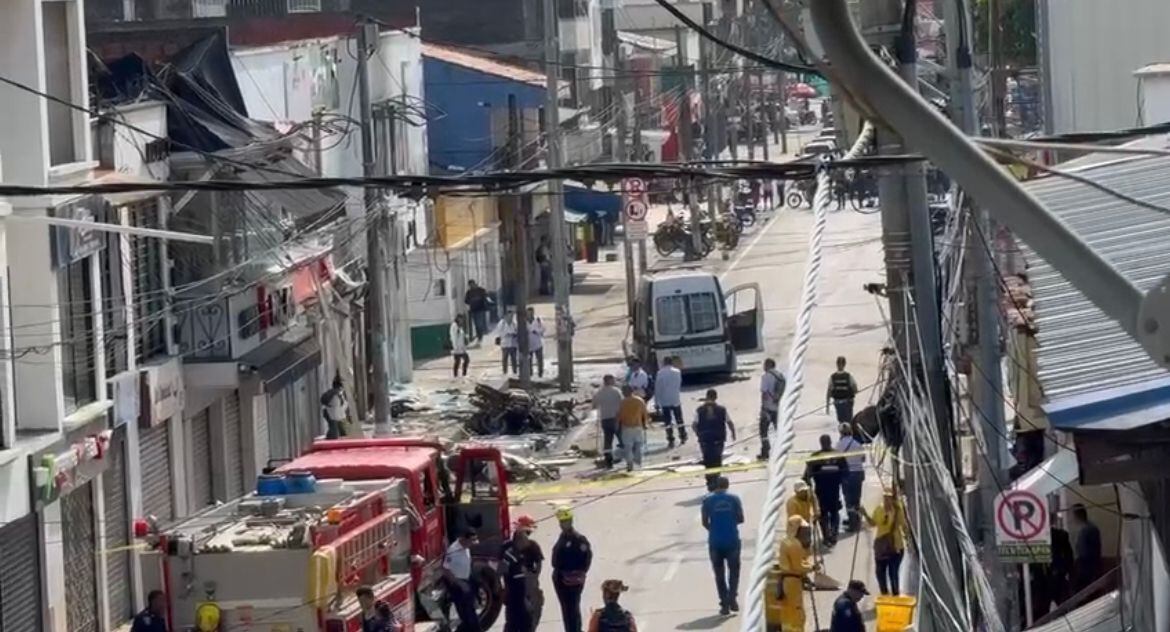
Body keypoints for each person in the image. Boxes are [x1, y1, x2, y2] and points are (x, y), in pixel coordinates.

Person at [701, 476, 744, 615]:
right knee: (734, 571)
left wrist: (714, 529)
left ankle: (724, 603)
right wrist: (729, 524)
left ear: (716, 486)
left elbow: (704, 522)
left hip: (715, 542)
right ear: (728, 485)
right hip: (732, 540)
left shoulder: (707, 500)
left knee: (719, 574)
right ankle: (732, 598)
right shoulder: (734, 499)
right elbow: (741, 518)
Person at [551, 506, 592, 632]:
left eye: (565, 521)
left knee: (572, 608)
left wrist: (579, 573)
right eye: (561, 522)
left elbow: (587, 557)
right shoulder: (563, 537)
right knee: (567, 609)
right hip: (561, 579)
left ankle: (575, 629)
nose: (563, 524)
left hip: (571, 580)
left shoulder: (578, 539)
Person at [502, 515, 545, 632]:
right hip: (514, 591)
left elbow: (539, 564)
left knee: (530, 622)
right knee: (513, 622)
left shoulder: (533, 546)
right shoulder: (508, 549)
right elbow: (502, 570)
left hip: (530, 588)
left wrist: (532, 577)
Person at [861, 490, 907, 595]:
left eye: (889, 498)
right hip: (881, 546)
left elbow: (903, 525)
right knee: (880, 573)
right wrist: (864, 514)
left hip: (895, 546)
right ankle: (884, 594)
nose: (887, 500)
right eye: (885, 498)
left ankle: (895, 595)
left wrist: (907, 537)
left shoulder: (898, 510)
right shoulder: (879, 509)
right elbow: (873, 523)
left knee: (893, 573)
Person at [804, 434, 846, 547]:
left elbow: (806, 475)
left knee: (825, 513)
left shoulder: (815, 457)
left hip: (823, 490)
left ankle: (828, 535)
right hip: (831, 490)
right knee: (832, 512)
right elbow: (845, 471)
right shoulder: (838, 455)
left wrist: (808, 482)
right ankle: (832, 534)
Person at [776, 516, 817, 632]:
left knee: (788, 610)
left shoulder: (786, 541)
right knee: (797, 610)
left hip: (787, 580)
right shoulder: (795, 545)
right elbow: (798, 566)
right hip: (793, 581)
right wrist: (812, 568)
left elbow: (798, 561)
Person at [693, 389, 737, 492]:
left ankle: (710, 483)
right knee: (717, 461)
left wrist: (699, 435)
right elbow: (729, 422)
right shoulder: (722, 409)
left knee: (708, 462)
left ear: (707, 396)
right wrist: (733, 433)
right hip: (718, 440)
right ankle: (716, 482)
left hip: (705, 441)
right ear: (716, 397)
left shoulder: (699, 410)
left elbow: (694, 425)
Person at [443, 529, 481, 632]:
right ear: (464, 539)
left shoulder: (466, 548)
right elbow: (446, 570)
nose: (473, 544)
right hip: (457, 586)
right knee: (467, 616)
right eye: (471, 540)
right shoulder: (453, 550)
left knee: (471, 615)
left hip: (466, 582)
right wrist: (459, 583)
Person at [836, 423, 866, 532]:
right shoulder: (857, 444)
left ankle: (853, 523)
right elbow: (863, 459)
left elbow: (837, 461)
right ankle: (855, 520)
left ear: (841, 433)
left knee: (849, 500)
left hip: (847, 475)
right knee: (856, 499)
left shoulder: (839, 445)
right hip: (858, 473)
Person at [593, 375, 625, 469]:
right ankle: (627, 458)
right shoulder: (616, 391)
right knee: (622, 438)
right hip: (616, 418)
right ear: (610, 381)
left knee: (608, 440)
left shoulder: (599, 392)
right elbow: (623, 402)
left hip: (605, 419)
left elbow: (594, 405)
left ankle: (608, 460)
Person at [653, 356, 686, 447]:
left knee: (668, 421)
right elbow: (679, 384)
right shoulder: (677, 372)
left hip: (665, 400)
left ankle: (670, 438)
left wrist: (656, 402)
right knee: (679, 418)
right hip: (675, 398)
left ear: (664, 363)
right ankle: (683, 436)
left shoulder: (660, 373)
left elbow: (658, 388)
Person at [758, 359, 786, 460]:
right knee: (778, 429)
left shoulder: (765, 377)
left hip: (768, 408)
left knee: (763, 431)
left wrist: (763, 408)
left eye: (765, 364)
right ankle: (782, 449)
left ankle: (765, 451)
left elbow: (764, 393)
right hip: (778, 407)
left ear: (769, 365)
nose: (763, 366)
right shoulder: (780, 376)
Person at [1070, 504, 1103, 593]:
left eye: (1072, 515)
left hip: (1086, 569)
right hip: (1090, 567)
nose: (1071, 518)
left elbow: (1084, 552)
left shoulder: (1086, 530)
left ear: (1077, 515)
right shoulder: (1089, 528)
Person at [616, 386, 649, 471]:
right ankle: (638, 462)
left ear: (623, 393)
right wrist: (645, 424)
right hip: (638, 425)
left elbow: (619, 415)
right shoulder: (640, 401)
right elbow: (645, 414)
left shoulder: (622, 402)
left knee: (628, 446)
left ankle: (630, 463)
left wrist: (617, 425)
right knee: (638, 445)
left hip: (626, 427)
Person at [826, 356, 859, 423]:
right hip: (847, 403)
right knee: (848, 421)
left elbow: (829, 392)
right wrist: (855, 392)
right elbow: (855, 389)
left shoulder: (832, 377)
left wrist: (827, 406)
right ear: (844, 365)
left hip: (838, 403)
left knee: (841, 421)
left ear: (837, 364)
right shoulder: (849, 376)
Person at [320, 376, 349, 440]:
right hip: (331, 414)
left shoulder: (341, 393)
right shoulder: (334, 392)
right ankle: (329, 439)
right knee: (334, 432)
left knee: (343, 431)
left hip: (337, 415)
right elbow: (323, 399)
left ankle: (332, 437)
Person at [527, 307, 546, 378]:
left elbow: (543, 328)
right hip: (529, 344)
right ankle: (530, 373)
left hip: (538, 343)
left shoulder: (538, 320)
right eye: (528, 313)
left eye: (531, 313)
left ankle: (540, 373)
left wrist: (537, 331)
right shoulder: (524, 321)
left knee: (540, 360)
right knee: (529, 360)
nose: (530, 314)